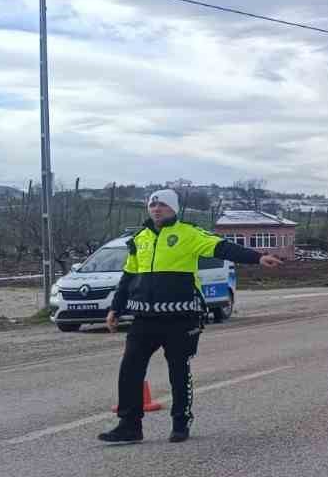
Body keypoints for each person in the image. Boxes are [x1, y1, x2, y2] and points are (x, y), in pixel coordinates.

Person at [98, 190, 282, 444]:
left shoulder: (189, 233)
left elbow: (222, 247)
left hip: (180, 316)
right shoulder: (139, 239)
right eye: (152, 205)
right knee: (129, 368)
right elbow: (128, 276)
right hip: (144, 318)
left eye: (162, 204)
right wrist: (115, 309)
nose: (156, 209)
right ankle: (129, 425)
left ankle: (181, 422)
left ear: (173, 208)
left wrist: (257, 257)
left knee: (178, 371)